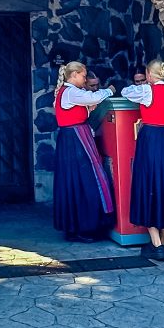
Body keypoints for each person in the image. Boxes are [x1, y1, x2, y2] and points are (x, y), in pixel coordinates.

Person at [121, 59, 164, 260]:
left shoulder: (147, 91)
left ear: (150, 75)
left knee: (146, 184)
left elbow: (126, 93)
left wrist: (142, 86)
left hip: (150, 139)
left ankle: (157, 244)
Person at [53, 61, 117, 242]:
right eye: (83, 75)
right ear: (73, 75)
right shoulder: (71, 92)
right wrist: (110, 90)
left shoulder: (67, 92)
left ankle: (77, 227)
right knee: (85, 180)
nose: (84, 79)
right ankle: (84, 227)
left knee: (74, 182)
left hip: (72, 137)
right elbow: (92, 98)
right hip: (76, 138)